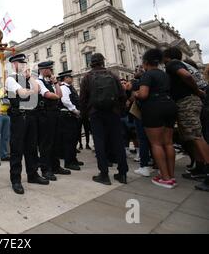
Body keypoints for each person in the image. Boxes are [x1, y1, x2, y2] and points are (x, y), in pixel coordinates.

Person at [163, 47, 209, 192]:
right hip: (187, 101)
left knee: (196, 136)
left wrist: (196, 91)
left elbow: (187, 76)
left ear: (167, 57)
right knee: (190, 136)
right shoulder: (179, 64)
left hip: (187, 101)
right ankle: (200, 168)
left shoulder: (172, 64)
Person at [79, 53, 128, 185]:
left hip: (96, 114)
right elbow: (122, 95)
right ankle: (122, 173)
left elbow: (82, 99)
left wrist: (84, 115)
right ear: (103, 62)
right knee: (118, 142)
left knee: (99, 143)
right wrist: (120, 111)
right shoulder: (113, 75)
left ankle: (104, 174)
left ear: (91, 63)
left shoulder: (87, 77)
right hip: (113, 112)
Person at [6, 54, 49, 194]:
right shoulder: (10, 79)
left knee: (31, 147)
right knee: (17, 149)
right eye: (20, 63)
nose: (24, 65)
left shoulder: (27, 78)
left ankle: (33, 174)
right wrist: (31, 90)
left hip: (31, 115)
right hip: (19, 117)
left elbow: (37, 90)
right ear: (13, 64)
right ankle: (16, 179)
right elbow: (23, 93)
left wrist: (30, 77)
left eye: (24, 63)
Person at [134, 49, 177, 188]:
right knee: (168, 143)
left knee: (156, 144)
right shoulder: (165, 75)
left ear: (146, 63)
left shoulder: (147, 75)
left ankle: (165, 178)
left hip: (154, 108)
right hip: (170, 106)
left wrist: (136, 93)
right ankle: (171, 175)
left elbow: (144, 94)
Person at [37, 61, 63, 181]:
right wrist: (57, 95)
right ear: (43, 70)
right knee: (46, 143)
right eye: (49, 69)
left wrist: (56, 83)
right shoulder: (38, 81)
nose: (51, 71)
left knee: (55, 141)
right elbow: (49, 95)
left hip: (54, 114)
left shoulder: (50, 82)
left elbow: (59, 94)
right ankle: (46, 169)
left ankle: (55, 166)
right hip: (45, 115)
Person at [57, 70, 83, 171]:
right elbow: (65, 101)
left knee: (73, 139)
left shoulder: (68, 87)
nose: (71, 78)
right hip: (67, 115)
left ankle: (73, 159)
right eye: (69, 77)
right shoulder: (63, 87)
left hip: (70, 115)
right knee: (69, 140)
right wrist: (75, 110)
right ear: (65, 78)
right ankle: (69, 162)